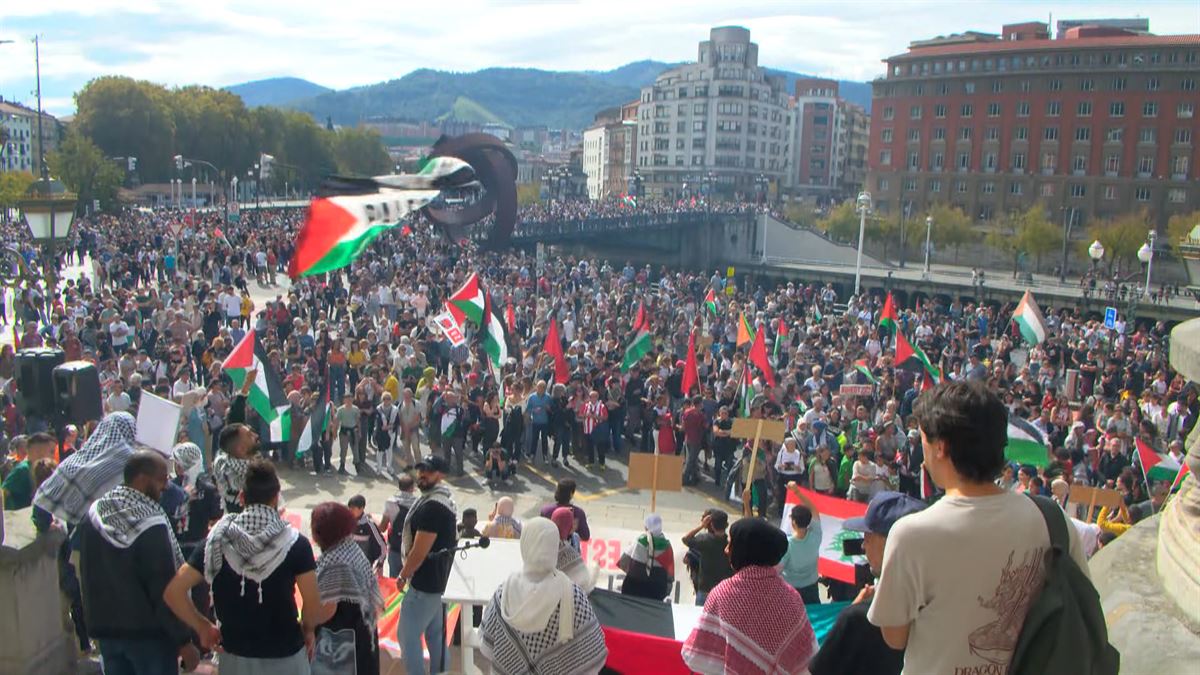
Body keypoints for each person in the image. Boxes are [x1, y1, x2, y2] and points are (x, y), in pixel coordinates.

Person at [868, 381, 1088, 674]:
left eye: (922, 441)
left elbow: (895, 636)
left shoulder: (912, 534)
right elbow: (1082, 606)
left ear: (940, 448)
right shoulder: (1053, 520)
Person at [163, 459, 322, 675]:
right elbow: (312, 604)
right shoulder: (296, 543)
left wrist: (202, 626)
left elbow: (174, 592)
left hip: (234, 657)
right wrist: (308, 629)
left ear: (241, 497)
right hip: (286, 655)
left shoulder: (216, 540)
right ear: (276, 498)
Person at [78, 451, 199, 674]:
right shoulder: (150, 523)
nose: (166, 487)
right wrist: (184, 640)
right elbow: (164, 587)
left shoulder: (93, 515)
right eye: (162, 479)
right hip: (149, 638)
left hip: (107, 633)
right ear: (143, 479)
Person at [682, 517, 816, 675]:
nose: (726, 550)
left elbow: (696, 657)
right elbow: (806, 660)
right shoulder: (792, 597)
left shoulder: (723, 594)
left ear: (744, 550)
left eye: (731, 544)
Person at [810, 491, 923, 675]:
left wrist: (849, 618)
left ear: (893, 542)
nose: (863, 546)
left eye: (868, 538)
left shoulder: (859, 620)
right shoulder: (943, 607)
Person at [479, 518, 609, 675]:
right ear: (554, 547)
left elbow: (487, 646)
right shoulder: (574, 595)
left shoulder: (503, 594)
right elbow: (593, 650)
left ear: (524, 545)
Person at [395, 455, 458, 675]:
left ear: (441, 475)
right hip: (439, 582)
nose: (422, 475)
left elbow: (420, 550)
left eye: (428, 471)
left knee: (407, 636)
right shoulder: (443, 501)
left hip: (425, 585)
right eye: (421, 470)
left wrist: (403, 574)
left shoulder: (432, 507)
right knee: (435, 635)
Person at [309, 501, 384, 675]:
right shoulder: (349, 548)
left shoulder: (335, 563)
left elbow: (326, 609)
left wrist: (305, 627)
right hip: (363, 637)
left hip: (344, 649)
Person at [34, 412, 137, 526]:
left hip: (73, 531)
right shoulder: (131, 465)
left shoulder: (73, 461)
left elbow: (43, 502)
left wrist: (45, 526)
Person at [779, 484, 823, 604]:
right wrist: (797, 492)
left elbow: (777, 570)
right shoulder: (816, 536)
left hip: (791, 591)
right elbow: (814, 509)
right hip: (811, 588)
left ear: (793, 522)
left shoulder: (787, 545)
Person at [681, 509, 734, 605]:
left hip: (705, 591)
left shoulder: (705, 540)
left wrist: (701, 526)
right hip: (723, 591)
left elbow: (685, 539)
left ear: (711, 525)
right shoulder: (729, 545)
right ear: (726, 525)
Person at [618, 514, 675, 601]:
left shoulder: (642, 540)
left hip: (636, 589)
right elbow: (669, 573)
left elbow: (630, 565)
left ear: (647, 526)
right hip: (658, 591)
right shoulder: (667, 545)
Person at [2, 431, 55, 510]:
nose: (53, 456)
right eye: (51, 452)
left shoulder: (42, 469)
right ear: (38, 451)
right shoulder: (23, 469)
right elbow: (4, 491)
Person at [381, 473, 418, 578]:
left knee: (394, 579)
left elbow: (383, 527)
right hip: (411, 548)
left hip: (395, 546)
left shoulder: (390, 502)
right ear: (412, 488)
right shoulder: (418, 503)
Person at [550, 506, 592, 590]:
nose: (573, 526)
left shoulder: (573, 539)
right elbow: (584, 581)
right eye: (570, 523)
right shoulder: (564, 549)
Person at [348, 494, 386, 570]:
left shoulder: (369, 525)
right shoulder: (347, 522)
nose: (350, 511)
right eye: (349, 508)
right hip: (348, 565)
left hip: (364, 567)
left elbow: (382, 545)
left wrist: (380, 562)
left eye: (353, 509)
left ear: (361, 508)